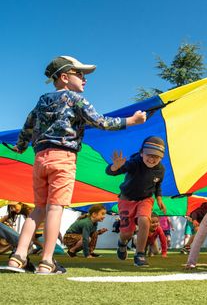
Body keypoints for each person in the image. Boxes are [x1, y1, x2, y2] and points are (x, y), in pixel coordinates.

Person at [3, 55, 147, 274]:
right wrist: (132, 121)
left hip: (40, 159)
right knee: (55, 208)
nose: (84, 79)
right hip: (63, 159)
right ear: (64, 77)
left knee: (38, 209)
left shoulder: (42, 101)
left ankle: (18, 257)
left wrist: (21, 147)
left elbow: (27, 127)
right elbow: (101, 122)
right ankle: (47, 261)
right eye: (79, 74)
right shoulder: (76, 100)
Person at [106, 135, 167, 267]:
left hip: (145, 199)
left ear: (161, 158)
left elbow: (157, 185)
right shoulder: (134, 163)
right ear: (141, 153)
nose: (152, 159)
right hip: (126, 199)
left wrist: (159, 199)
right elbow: (114, 171)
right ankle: (122, 243)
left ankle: (140, 254)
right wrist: (115, 167)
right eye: (149, 155)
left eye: (156, 156)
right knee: (127, 232)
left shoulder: (160, 169)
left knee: (145, 220)